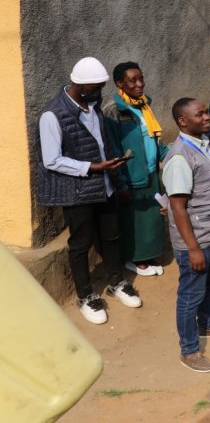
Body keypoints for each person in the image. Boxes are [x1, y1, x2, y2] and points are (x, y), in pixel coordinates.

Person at [38, 57, 140, 325]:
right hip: (78, 191)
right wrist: (92, 167)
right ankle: (85, 295)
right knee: (81, 244)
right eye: (96, 87)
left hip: (105, 185)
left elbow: (102, 144)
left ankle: (116, 282)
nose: (100, 91)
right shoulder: (52, 115)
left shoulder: (93, 107)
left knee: (112, 236)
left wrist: (114, 172)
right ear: (81, 86)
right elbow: (51, 160)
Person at [163, 98, 210, 372]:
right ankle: (189, 350)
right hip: (196, 240)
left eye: (206, 112)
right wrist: (192, 248)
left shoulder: (203, 143)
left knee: (208, 283)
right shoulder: (180, 157)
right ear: (183, 121)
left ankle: (208, 324)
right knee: (190, 295)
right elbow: (178, 208)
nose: (206, 117)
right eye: (200, 114)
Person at [103, 62, 167, 278]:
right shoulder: (113, 110)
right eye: (132, 80)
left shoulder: (144, 105)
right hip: (131, 174)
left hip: (150, 170)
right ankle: (136, 259)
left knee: (152, 217)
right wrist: (120, 183)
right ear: (119, 83)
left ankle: (150, 255)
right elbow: (112, 148)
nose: (139, 84)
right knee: (136, 220)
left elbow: (154, 137)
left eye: (141, 78)